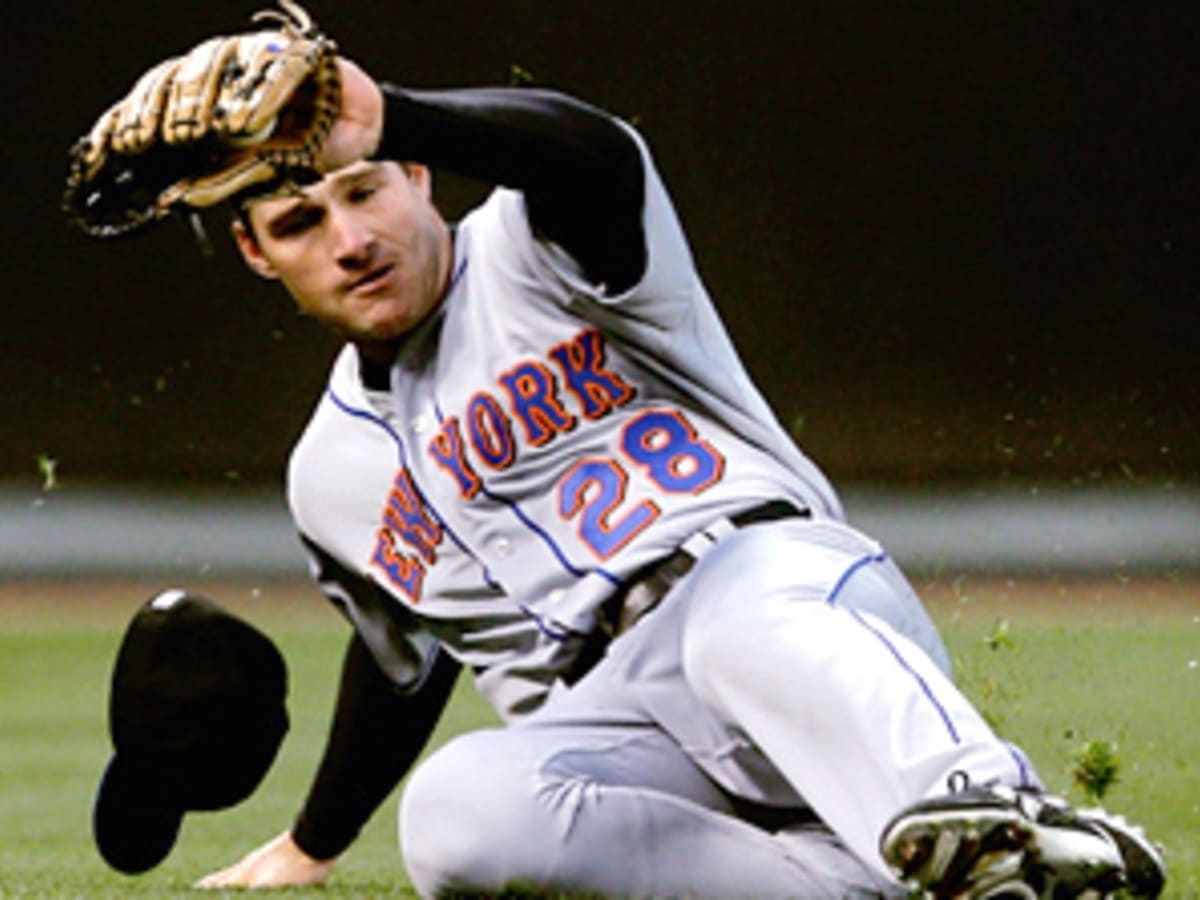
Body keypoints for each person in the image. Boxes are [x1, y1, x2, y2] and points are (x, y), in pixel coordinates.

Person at [86, 25, 1164, 899]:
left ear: (418, 176)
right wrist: (314, 844)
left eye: (366, 190)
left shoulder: (538, 247)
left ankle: (1007, 826)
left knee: (737, 614)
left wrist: (386, 112)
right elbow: (403, 660)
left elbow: (588, 150)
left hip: (775, 598)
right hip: (621, 722)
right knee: (455, 816)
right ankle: (872, 886)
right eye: (300, 220)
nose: (349, 238)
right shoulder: (328, 473)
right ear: (255, 252)